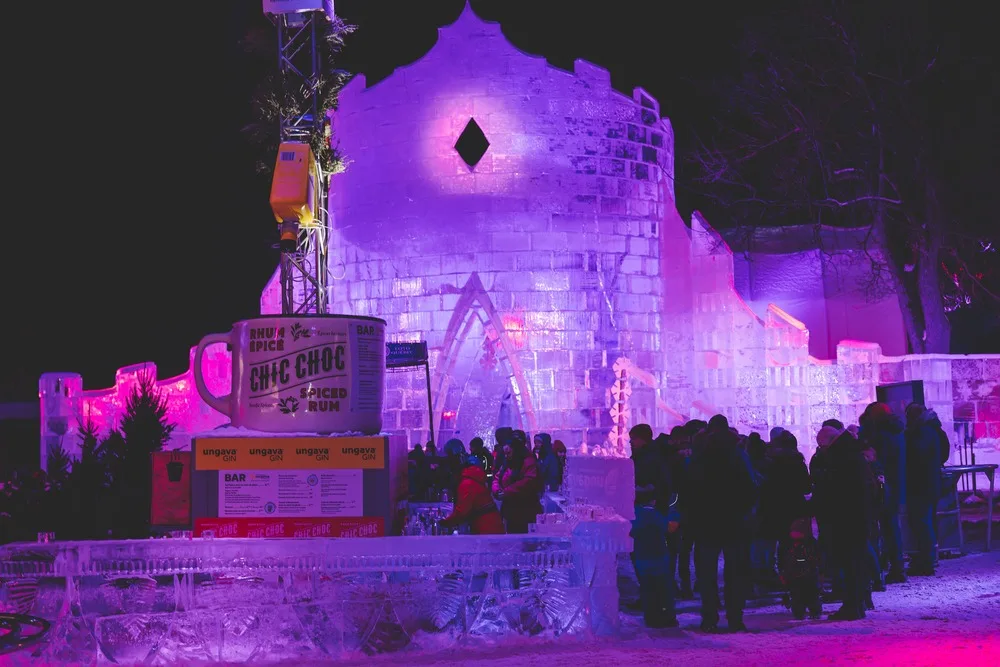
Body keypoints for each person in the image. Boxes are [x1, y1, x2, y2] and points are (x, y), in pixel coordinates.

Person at [687, 414, 757, 633]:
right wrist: (743, 512)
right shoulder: (738, 453)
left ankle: (709, 618)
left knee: (706, 574)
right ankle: (735, 618)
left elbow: (690, 487)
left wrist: (694, 515)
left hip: (707, 520)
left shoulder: (700, 453)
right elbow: (750, 486)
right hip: (733, 520)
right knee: (735, 572)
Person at [820, 426, 878, 620]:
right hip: (859, 516)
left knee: (850, 562)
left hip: (848, 518)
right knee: (858, 561)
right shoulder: (852, 452)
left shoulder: (841, 456)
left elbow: (838, 490)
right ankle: (860, 601)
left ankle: (853, 605)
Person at [629, 423, 678, 628]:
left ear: (642, 439)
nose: (631, 443)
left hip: (649, 516)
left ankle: (656, 613)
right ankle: (662, 612)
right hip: (656, 517)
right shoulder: (654, 458)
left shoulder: (647, 460)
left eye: (633, 439)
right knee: (658, 573)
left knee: (651, 573)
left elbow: (654, 486)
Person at [859, 402, 907, 583]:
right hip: (895, 485)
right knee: (891, 527)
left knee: (879, 528)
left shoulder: (879, 436)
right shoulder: (897, 432)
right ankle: (896, 566)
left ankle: (881, 569)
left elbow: (876, 461)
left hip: (881, 486)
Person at [904, 403, 950, 576]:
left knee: (921, 523)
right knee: (925, 522)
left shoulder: (922, 432)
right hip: (928, 483)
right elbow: (943, 453)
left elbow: (917, 454)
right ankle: (928, 558)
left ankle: (926, 561)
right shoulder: (933, 430)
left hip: (920, 484)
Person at [492, 431, 543, 534]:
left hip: (526, 510)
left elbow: (528, 482)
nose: (506, 456)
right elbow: (497, 477)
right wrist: (496, 490)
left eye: (509, 453)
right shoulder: (507, 463)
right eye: (505, 453)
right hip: (510, 510)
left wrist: (506, 492)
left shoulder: (528, 461)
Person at [441, 454, 505, 535]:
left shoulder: (467, 483)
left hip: (485, 528)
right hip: (492, 524)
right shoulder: (474, 479)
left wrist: (445, 523)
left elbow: (461, 511)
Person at [780, 518, 822, 620]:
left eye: (798, 531)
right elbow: (784, 559)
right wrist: (784, 573)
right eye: (793, 531)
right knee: (796, 595)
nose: (795, 534)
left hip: (810, 575)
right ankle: (798, 612)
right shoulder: (788, 544)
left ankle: (815, 611)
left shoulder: (811, 543)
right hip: (794, 576)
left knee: (812, 594)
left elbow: (818, 557)